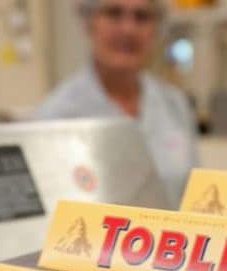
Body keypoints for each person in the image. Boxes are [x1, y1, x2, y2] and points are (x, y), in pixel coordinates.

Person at [32, 0, 199, 207]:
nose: (128, 29)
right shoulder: (55, 118)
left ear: (156, 29)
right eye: (114, 13)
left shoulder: (174, 104)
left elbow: (194, 196)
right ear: (89, 23)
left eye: (142, 17)